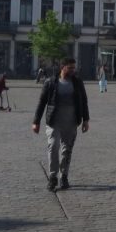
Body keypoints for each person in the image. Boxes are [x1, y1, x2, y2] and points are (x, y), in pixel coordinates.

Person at [32, 58, 90, 192]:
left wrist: (86, 120)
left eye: (73, 68)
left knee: (66, 151)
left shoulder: (77, 82)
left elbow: (84, 101)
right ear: (62, 67)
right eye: (70, 68)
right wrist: (36, 122)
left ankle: (64, 176)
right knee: (53, 146)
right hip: (53, 122)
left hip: (71, 122)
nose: (73, 70)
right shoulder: (51, 82)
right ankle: (53, 177)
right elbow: (42, 102)